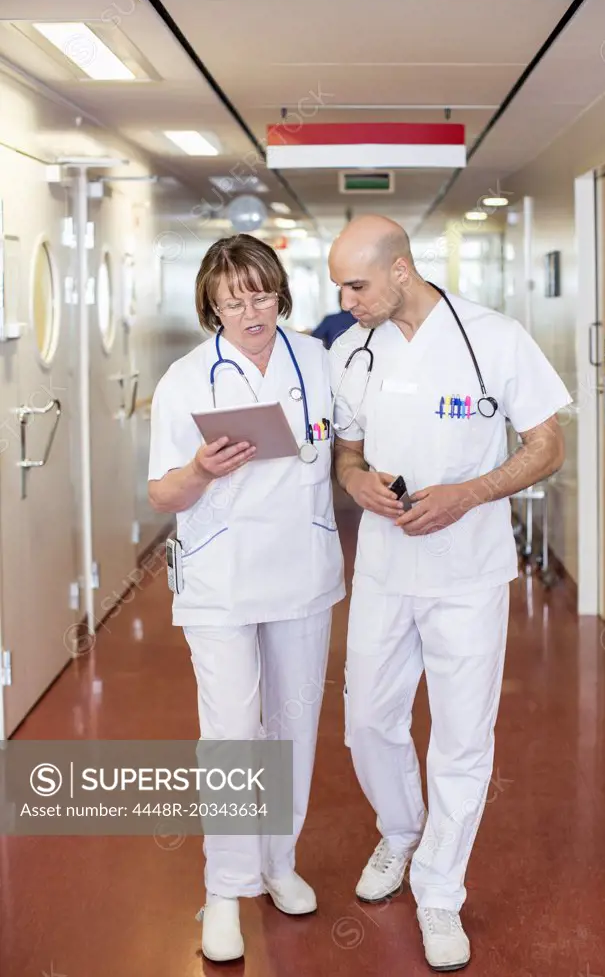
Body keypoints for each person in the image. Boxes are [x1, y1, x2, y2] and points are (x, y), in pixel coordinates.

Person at [328, 215, 571, 971]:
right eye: (339, 286)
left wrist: (468, 492)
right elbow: (346, 452)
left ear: (400, 268)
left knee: (463, 738)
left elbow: (546, 445)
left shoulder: (492, 337)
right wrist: (356, 481)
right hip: (383, 568)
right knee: (367, 718)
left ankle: (440, 887)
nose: (346, 299)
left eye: (357, 284)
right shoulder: (350, 350)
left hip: (468, 570)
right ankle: (400, 829)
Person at [148, 235, 345, 963]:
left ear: (279, 293)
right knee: (232, 729)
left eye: (261, 293)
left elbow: (345, 443)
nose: (250, 309)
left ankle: (277, 863)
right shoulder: (186, 379)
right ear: (211, 304)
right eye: (233, 299)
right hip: (221, 575)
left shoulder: (315, 361)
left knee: (293, 723)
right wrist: (199, 470)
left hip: (301, 566)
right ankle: (226, 886)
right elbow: (160, 490)